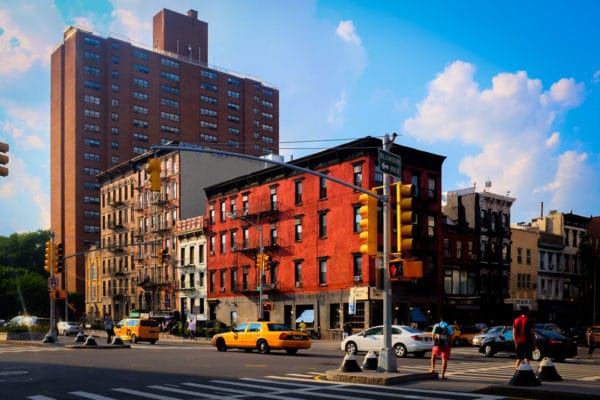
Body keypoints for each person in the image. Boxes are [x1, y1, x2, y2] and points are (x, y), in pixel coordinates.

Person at [429, 315, 453, 380]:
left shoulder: (436, 325)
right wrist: (450, 344)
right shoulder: (449, 327)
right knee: (444, 360)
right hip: (445, 345)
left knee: (433, 355)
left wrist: (436, 342)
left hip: (437, 345)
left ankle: (432, 368)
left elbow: (433, 336)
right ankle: (442, 375)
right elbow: (451, 338)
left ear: (440, 319)